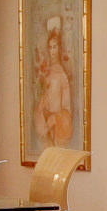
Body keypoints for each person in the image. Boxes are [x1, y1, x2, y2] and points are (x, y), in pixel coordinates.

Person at [33, 12, 76, 149]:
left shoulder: (62, 76)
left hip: (57, 128)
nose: (52, 51)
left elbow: (67, 110)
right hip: (46, 125)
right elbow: (43, 100)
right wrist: (42, 110)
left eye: (55, 47)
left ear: (59, 48)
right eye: (50, 47)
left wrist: (55, 119)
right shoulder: (46, 74)